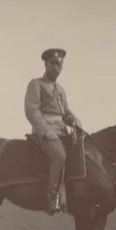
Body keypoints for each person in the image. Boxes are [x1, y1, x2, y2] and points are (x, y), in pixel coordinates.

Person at [24, 48, 83, 215]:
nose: (57, 67)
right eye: (54, 63)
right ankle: (51, 200)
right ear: (46, 64)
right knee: (59, 156)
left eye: (60, 64)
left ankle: (72, 197)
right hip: (43, 131)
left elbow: (66, 113)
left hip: (61, 130)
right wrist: (45, 130)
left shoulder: (60, 90)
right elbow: (31, 111)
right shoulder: (36, 84)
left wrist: (75, 121)